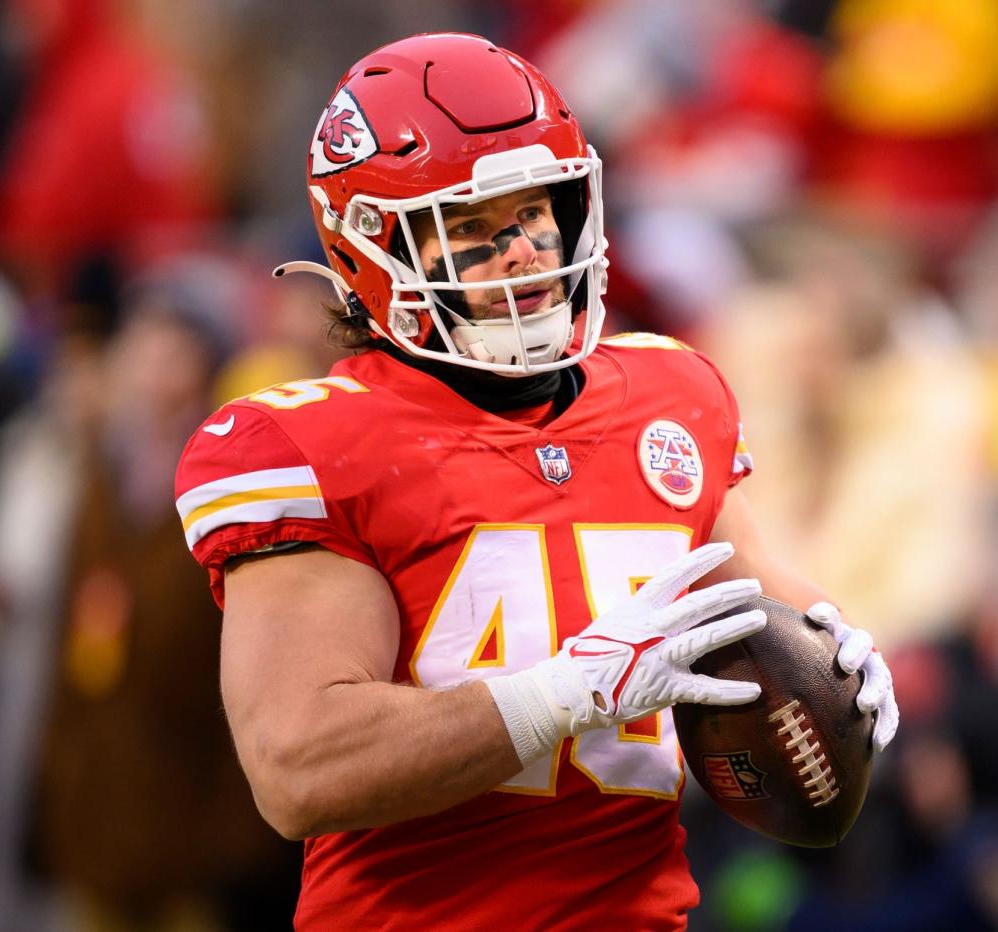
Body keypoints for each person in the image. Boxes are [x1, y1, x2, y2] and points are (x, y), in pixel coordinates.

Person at [174, 33, 898, 929]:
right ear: (375, 248)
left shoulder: (667, 394)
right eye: (472, 228)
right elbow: (298, 768)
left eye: (535, 211)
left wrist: (844, 660)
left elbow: (756, 622)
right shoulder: (309, 442)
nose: (521, 251)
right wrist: (559, 694)